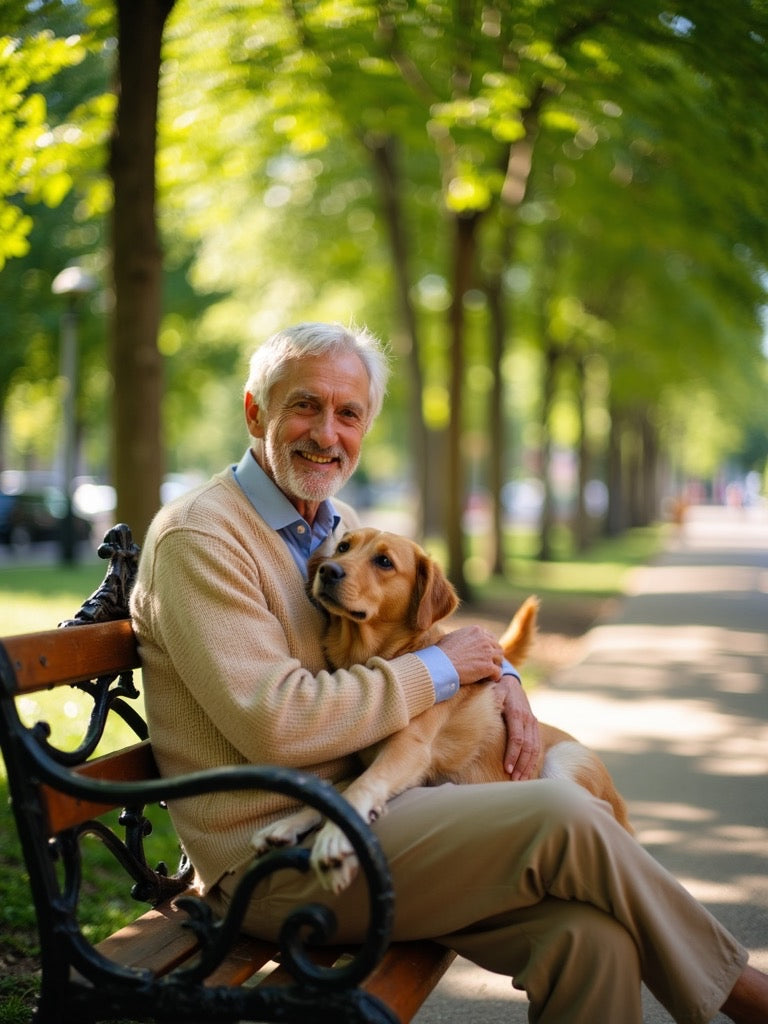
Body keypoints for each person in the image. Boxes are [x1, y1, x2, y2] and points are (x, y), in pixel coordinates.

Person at [130, 321, 768, 1024]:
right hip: (275, 859)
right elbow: (277, 721)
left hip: (373, 817)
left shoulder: (330, 526)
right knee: (562, 813)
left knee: (591, 938)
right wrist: (441, 668)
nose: (327, 433)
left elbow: (426, 642)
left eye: (349, 414)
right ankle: (741, 995)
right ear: (257, 412)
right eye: (305, 405)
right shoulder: (204, 537)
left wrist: (504, 682)